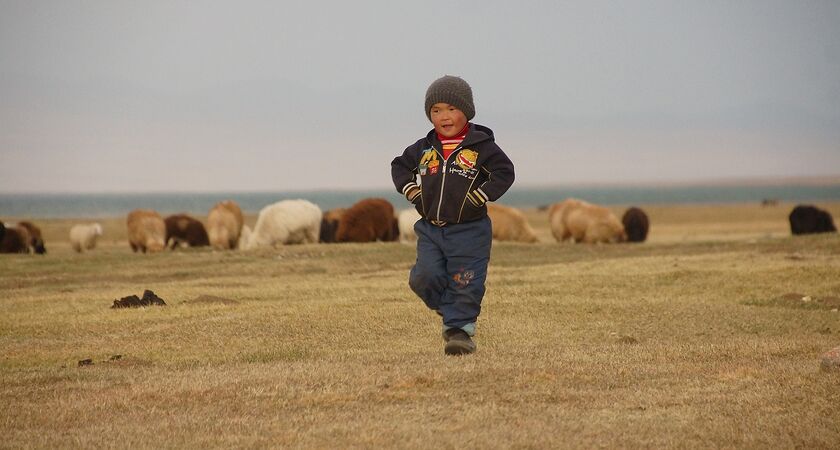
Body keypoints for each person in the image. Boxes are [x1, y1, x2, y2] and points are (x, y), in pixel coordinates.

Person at [391, 75, 515, 355]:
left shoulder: (482, 146)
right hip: (431, 229)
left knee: (465, 281)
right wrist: (413, 192)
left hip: (470, 231)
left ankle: (460, 333)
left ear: (466, 111)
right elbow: (399, 167)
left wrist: (480, 196)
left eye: (451, 109)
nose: (444, 117)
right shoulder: (423, 148)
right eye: (436, 111)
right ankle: (449, 311)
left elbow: (505, 173)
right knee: (423, 277)